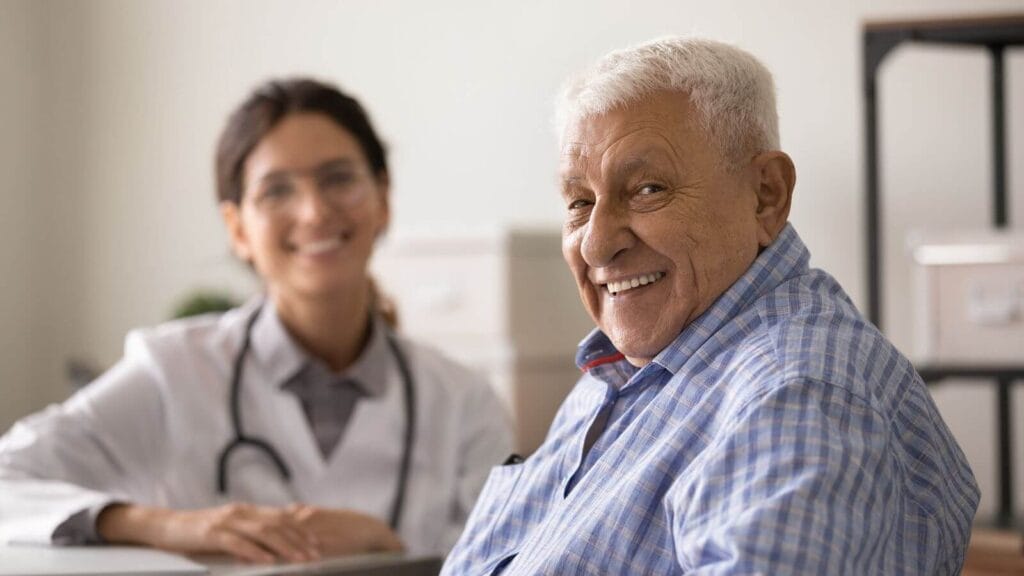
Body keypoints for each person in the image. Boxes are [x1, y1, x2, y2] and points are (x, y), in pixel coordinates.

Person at [443, 37, 979, 575]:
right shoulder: (627, 369)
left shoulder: (797, 394)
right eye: (580, 202)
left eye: (648, 189)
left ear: (766, 195)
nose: (596, 244)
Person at [0, 78, 512, 563]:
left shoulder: (465, 404)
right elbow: (8, 480)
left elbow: (509, 560)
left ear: (383, 200)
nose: (313, 212)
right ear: (237, 228)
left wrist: (389, 548)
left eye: (339, 179)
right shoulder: (173, 372)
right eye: (276, 191)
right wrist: (164, 525)